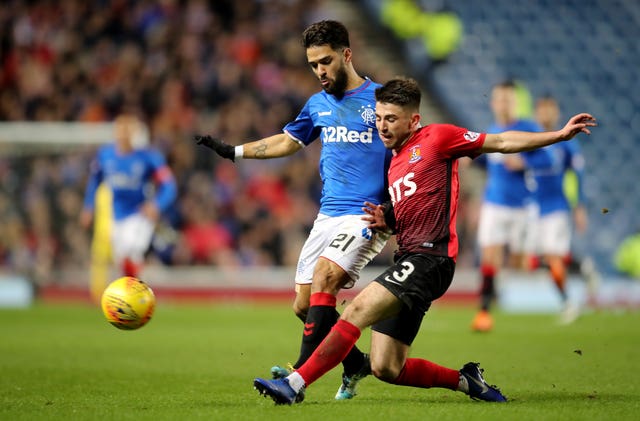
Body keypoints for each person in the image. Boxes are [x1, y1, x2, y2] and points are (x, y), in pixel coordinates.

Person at [252, 77, 596, 405]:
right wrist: (389, 217)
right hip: (409, 259)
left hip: (432, 260)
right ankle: (467, 380)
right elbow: (414, 207)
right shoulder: (395, 162)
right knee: (387, 367)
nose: (383, 126)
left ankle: (293, 384)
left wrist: (558, 135)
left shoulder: (438, 138)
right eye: (380, 118)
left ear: (414, 120)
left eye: (392, 119)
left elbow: (501, 142)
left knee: (355, 310)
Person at [194, 20, 392, 400]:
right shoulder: (317, 105)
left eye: (326, 61)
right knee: (304, 306)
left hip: (367, 214)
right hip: (328, 215)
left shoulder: (381, 100)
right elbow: (288, 142)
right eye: (313, 64)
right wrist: (234, 151)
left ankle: (295, 379)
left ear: (346, 55)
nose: (319, 70)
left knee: (324, 278)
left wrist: (397, 206)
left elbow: (409, 151)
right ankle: (355, 364)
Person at [471, 80, 543, 332]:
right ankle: (484, 310)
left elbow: (549, 158)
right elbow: (492, 164)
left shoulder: (528, 128)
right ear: (493, 103)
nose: (503, 104)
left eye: (508, 99)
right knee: (489, 254)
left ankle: (570, 269)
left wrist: (524, 163)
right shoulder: (492, 130)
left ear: (515, 102)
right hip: (495, 203)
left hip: (523, 205)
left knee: (520, 262)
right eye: (499, 99)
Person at [81, 114, 177, 280]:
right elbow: (95, 181)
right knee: (122, 263)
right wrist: (89, 206)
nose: (124, 135)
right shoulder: (105, 155)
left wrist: (156, 205)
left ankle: (136, 290)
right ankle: (131, 295)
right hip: (116, 215)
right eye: (121, 130)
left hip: (140, 214)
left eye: (129, 131)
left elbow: (169, 185)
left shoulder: (149, 157)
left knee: (131, 251)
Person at [530, 96, 588, 323]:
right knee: (534, 261)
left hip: (556, 208)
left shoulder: (566, 143)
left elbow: (578, 174)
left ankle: (567, 302)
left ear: (556, 114)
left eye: (550, 110)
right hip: (533, 208)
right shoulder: (530, 141)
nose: (545, 114)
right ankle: (582, 267)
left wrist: (579, 206)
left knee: (552, 256)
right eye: (542, 109)